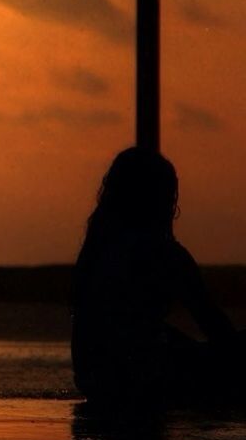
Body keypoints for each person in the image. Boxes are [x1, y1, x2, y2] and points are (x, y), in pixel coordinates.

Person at [71, 147, 245, 407]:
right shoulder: (166, 254)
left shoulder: (96, 251)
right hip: (142, 379)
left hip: (92, 376)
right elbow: (212, 323)